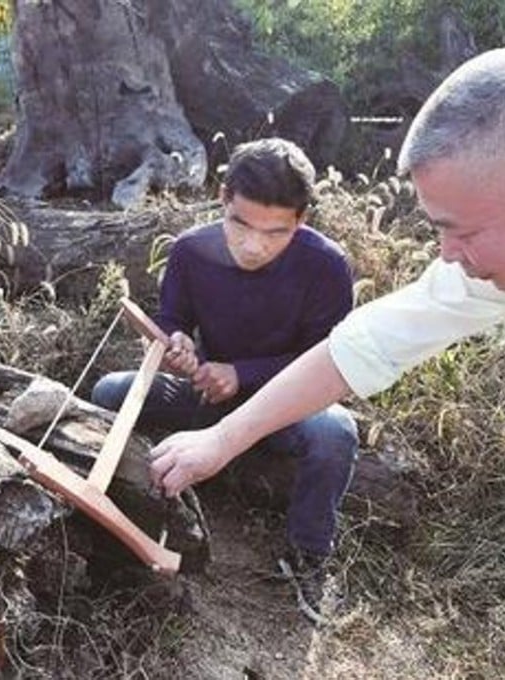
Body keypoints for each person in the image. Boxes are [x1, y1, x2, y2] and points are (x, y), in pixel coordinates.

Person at [148, 45, 505, 567]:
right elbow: (366, 343)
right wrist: (220, 441)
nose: (446, 253)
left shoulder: (325, 263)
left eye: (462, 230)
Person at [91, 138, 359, 622]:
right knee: (111, 391)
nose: (254, 245)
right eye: (241, 224)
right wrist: (178, 343)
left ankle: (310, 554)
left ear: (302, 218)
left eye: (276, 232)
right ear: (222, 198)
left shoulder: (327, 266)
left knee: (336, 432)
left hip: (287, 406)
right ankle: (130, 510)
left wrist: (244, 374)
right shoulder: (191, 250)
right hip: (205, 394)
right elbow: (172, 316)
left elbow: (329, 362)